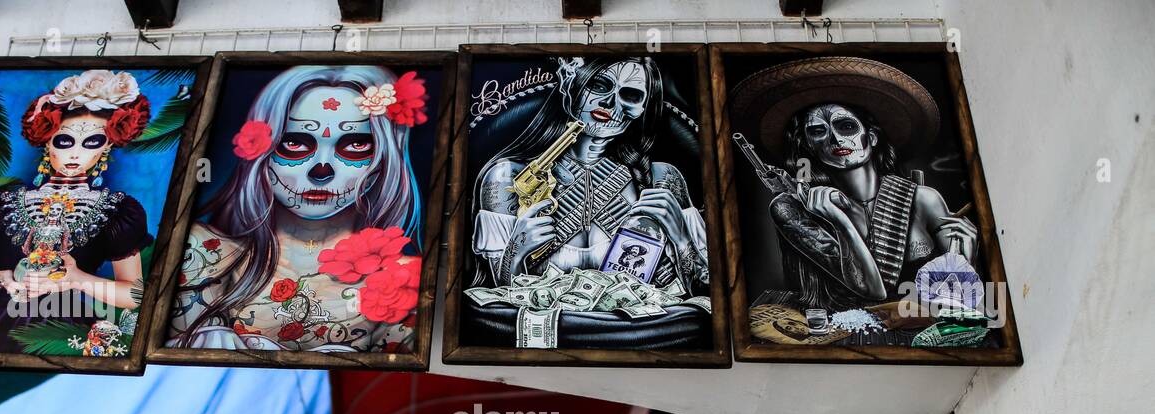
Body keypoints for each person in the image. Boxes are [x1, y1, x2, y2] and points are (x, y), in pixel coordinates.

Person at [169, 65, 428, 353]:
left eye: (355, 145)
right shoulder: (205, 252)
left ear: (384, 159)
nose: (321, 170)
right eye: (295, 143)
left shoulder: (404, 280)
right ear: (260, 150)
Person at [0, 69, 155, 355]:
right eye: (65, 141)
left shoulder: (118, 210)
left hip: (63, 331)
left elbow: (135, 295)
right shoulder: (0, 205)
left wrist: (77, 278)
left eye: (92, 142)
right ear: (48, 142)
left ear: (107, 146)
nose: (75, 153)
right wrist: (0, 280)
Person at [728, 56, 978, 319]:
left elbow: (959, 306)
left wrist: (966, 263)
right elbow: (874, 291)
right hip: (841, 336)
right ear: (809, 146)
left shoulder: (924, 199)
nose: (835, 138)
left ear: (870, 136)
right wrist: (839, 220)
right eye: (818, 131)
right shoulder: (794, 208)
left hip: (918, 332)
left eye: (846, 126)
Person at [470, 56, 709, 291]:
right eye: (599, 85)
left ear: (643, 108)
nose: (610, 103)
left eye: (630, 95)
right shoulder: (506, 176)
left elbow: (703, 291)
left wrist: (681, 239)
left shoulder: (661, 179)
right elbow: (502, 293)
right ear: (571, 86)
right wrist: (516, 250)